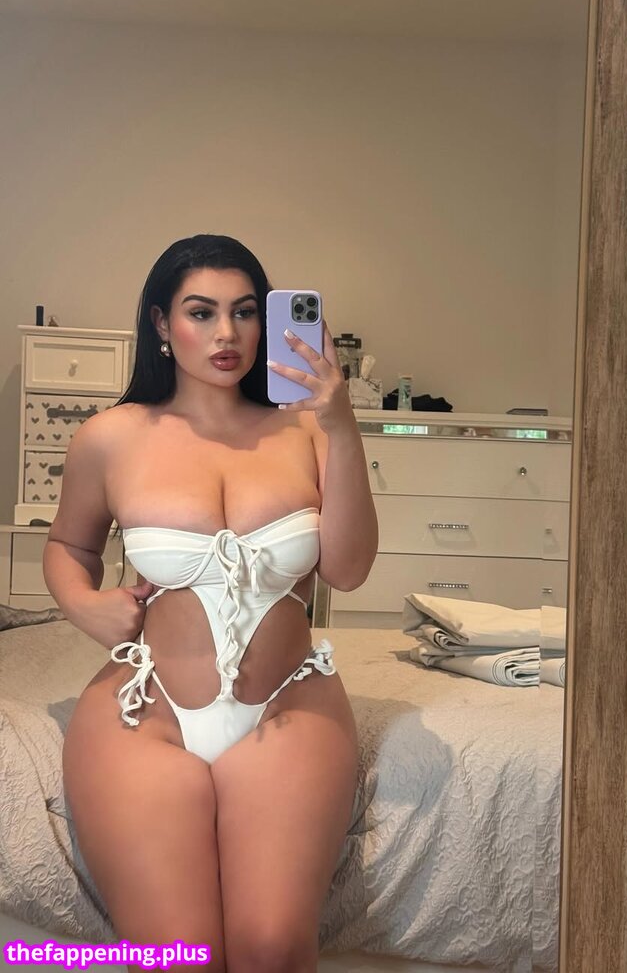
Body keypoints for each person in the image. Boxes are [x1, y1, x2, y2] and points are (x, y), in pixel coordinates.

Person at [43, 234, 378, 973]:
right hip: (146, 708)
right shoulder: (110, 437)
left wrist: (341, 424)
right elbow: (68, 545)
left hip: (290, 702)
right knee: (178, 957)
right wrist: (84, 604)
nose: (227, 333)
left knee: (271, 949)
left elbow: (349, 570)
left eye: (245, 312)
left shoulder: (308, 427)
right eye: (202, 313)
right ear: (162, 323)